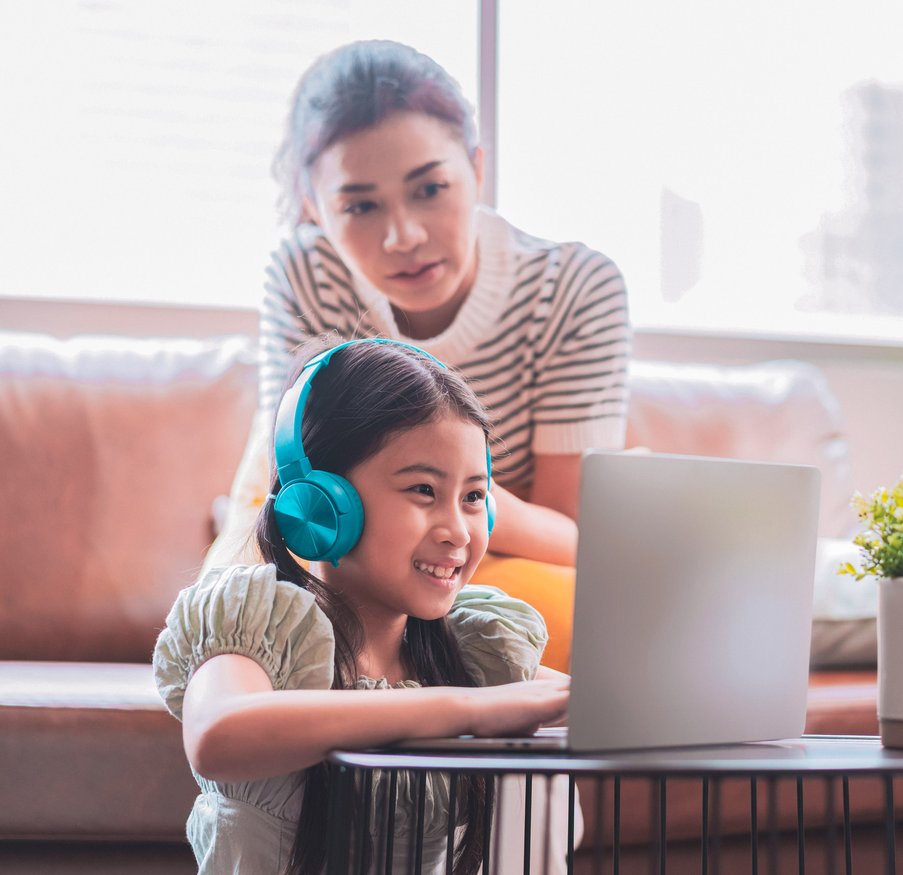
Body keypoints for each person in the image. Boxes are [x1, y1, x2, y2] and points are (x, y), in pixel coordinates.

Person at [206, 38, 631, 572]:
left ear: (477, 170)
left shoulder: (572, 288)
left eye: (429, 189)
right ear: (316, 210)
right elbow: (304, 494)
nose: (402, 237)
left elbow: (570, 538)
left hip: (509, 565)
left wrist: (437, 494)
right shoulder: (308, 273)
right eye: (361, 206)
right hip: (356, 561)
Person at [154, 339, 570, 875]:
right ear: (323, 505)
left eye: (472, 498)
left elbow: (587, 703)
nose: (457, 532)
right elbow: (218, 735)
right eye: (423, 489)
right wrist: (470, 708)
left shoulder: (473, 650)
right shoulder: (259, 626)